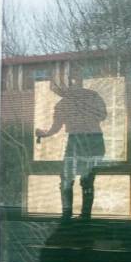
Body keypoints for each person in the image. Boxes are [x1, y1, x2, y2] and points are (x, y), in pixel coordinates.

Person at [36, 77, 107, 220]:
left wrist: (44, 134)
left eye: (56, 89)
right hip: (95, 141)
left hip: (78, 141)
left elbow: (55, 128)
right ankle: (84, 217)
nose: (56, 92)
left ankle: (68, 216)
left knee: (67, 180)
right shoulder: (92, 96)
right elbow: (102, 116)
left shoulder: (63, 104)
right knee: (86, 180)